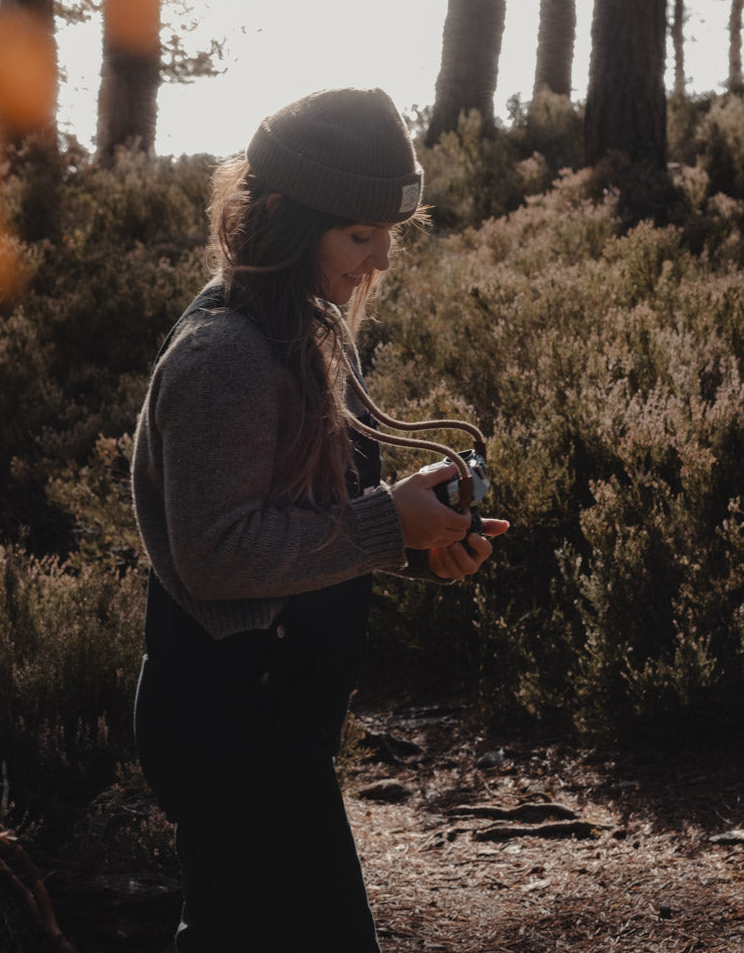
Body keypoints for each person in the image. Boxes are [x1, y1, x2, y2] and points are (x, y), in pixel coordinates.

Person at [132, 87, 508, 953]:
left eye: (389, 235)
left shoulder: (296, 329)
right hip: (232, 729)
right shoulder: (224, 354)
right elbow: (219, 554)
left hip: (260, 721)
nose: (378, 260)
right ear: (286, 222)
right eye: (358, 235)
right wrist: (386, 526)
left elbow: (290, 526)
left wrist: (420, 543)